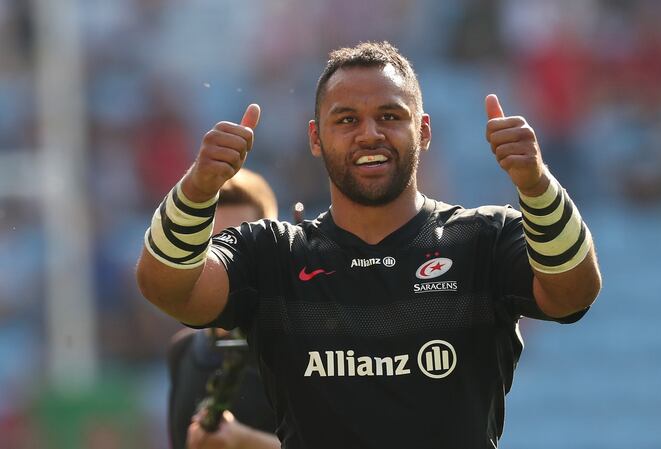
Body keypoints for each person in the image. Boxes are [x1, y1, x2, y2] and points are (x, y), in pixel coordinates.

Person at [137, 41, 602, 449]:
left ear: (423, 130)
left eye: (389, 116)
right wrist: (196, 190)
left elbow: (572, 293)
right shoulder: (273, 254)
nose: (369, 133)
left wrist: (537, 186)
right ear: (316, 139)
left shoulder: (482, 238)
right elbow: (170, 288)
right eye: (347, 119)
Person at [166, 168, 281, 449]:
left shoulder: (302, 348)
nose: (226, 260)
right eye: (212, 245)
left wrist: (245, 442)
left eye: (240, 245)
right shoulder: (183, 351)